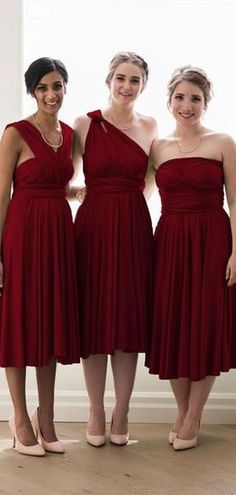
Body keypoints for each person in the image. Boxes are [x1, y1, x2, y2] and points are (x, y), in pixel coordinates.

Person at [146, 65, 236, 450]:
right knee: (173, 323)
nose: (187, 105)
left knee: (208, 321)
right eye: (180, 97)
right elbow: (136, 192)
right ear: (169, 101)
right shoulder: (157, 147)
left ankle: (195, 414)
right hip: (169, 241)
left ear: (206, 102)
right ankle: (183, 410)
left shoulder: (223, 142)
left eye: (195, 98)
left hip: (213, 238)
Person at [73, 51, 157, 447]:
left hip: (134, 226)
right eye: (121, 77)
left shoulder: (151, 126)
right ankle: (94, 410)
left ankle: (121, 411)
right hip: (92, 227)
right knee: (93, 319)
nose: (127, 85)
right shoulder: (84, 124)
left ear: (144, 84)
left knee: (126, 319)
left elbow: (155, 180)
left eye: (135, 79)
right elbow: (62, 177)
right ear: (108, 80)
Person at [0, 57, 80, 456]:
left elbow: (62, 184)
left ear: (66, 88)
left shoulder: (69, 134)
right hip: (24, 233)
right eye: (44, 87)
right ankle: (19, 418)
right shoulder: (15, 133)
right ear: (33, 91)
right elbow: (2, 194)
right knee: (19, 322)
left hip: (59, 234)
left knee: (49, 324)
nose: (52, 94)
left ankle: (46, 417)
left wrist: (79, 195)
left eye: (58, 86)